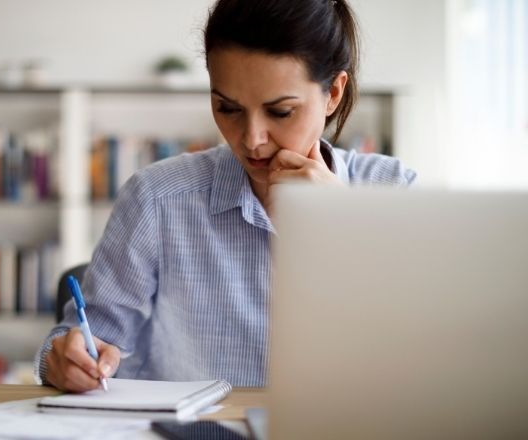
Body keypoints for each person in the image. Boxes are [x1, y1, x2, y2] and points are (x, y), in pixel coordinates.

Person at [34, 0, 417, 392]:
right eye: (227, 108)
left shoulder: (394, 192)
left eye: (281, 112)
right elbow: (78, 341)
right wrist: (63, 360)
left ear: (333, 93)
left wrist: (347, 226)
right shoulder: (157, 199)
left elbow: (423, 357)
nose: (252, 140)